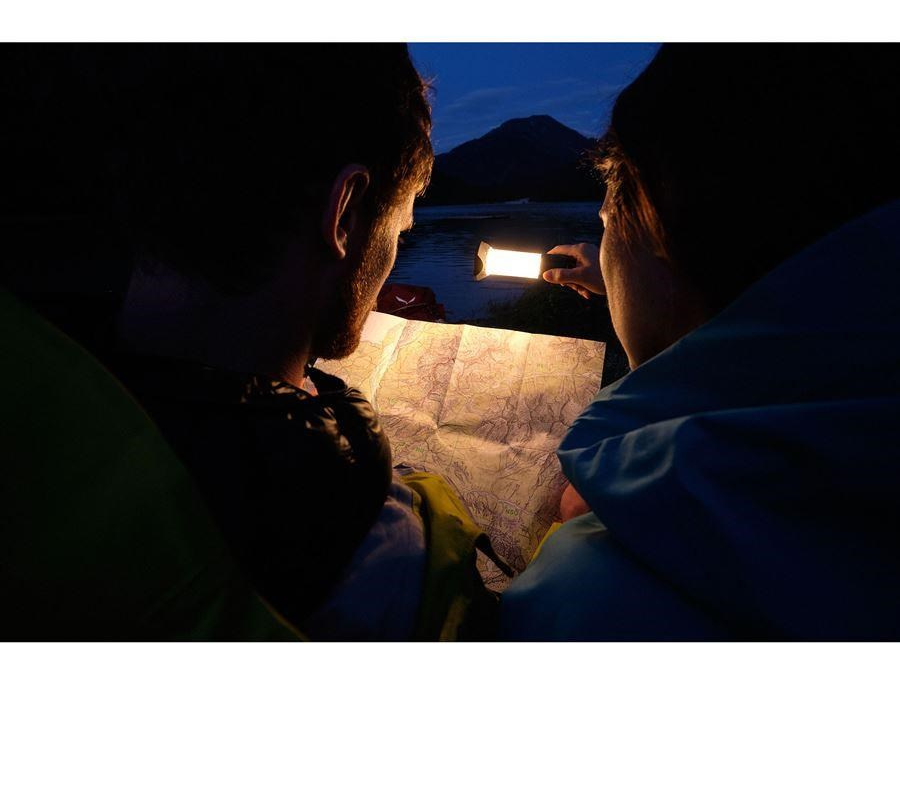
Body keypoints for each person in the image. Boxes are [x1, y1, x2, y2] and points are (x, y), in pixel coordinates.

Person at [3, 44, 497, 640]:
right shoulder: (385, 569)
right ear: (344, 213)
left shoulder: (36, 375)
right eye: (400, 229)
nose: (391, 258)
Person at [500, 43, 900, 640]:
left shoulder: (596, 600)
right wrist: (641, 296)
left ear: (658, 228)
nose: (604, 252)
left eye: (610, 224)